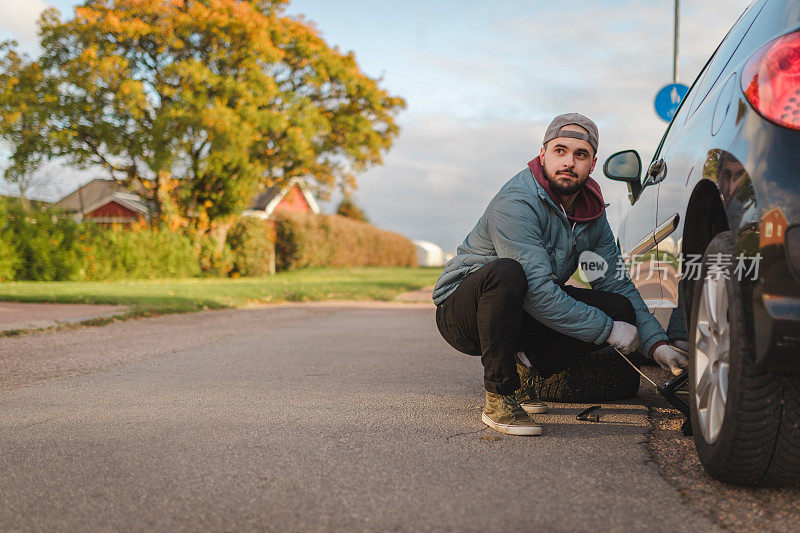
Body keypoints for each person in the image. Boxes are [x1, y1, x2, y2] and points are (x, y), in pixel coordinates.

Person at [432, 113, 688, 436]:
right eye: (560, 151)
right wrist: (608, 331)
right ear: (543, 155)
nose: (569, 162)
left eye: (580, 155)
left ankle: (523, 366)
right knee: (508, 273)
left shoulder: (591, 214)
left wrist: (656, 345)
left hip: (522, 306)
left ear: (592, 164)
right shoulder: (517, 201)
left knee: (619, 307)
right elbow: (538, 291)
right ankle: (499, 395)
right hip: (464, 311)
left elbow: (615, 281)